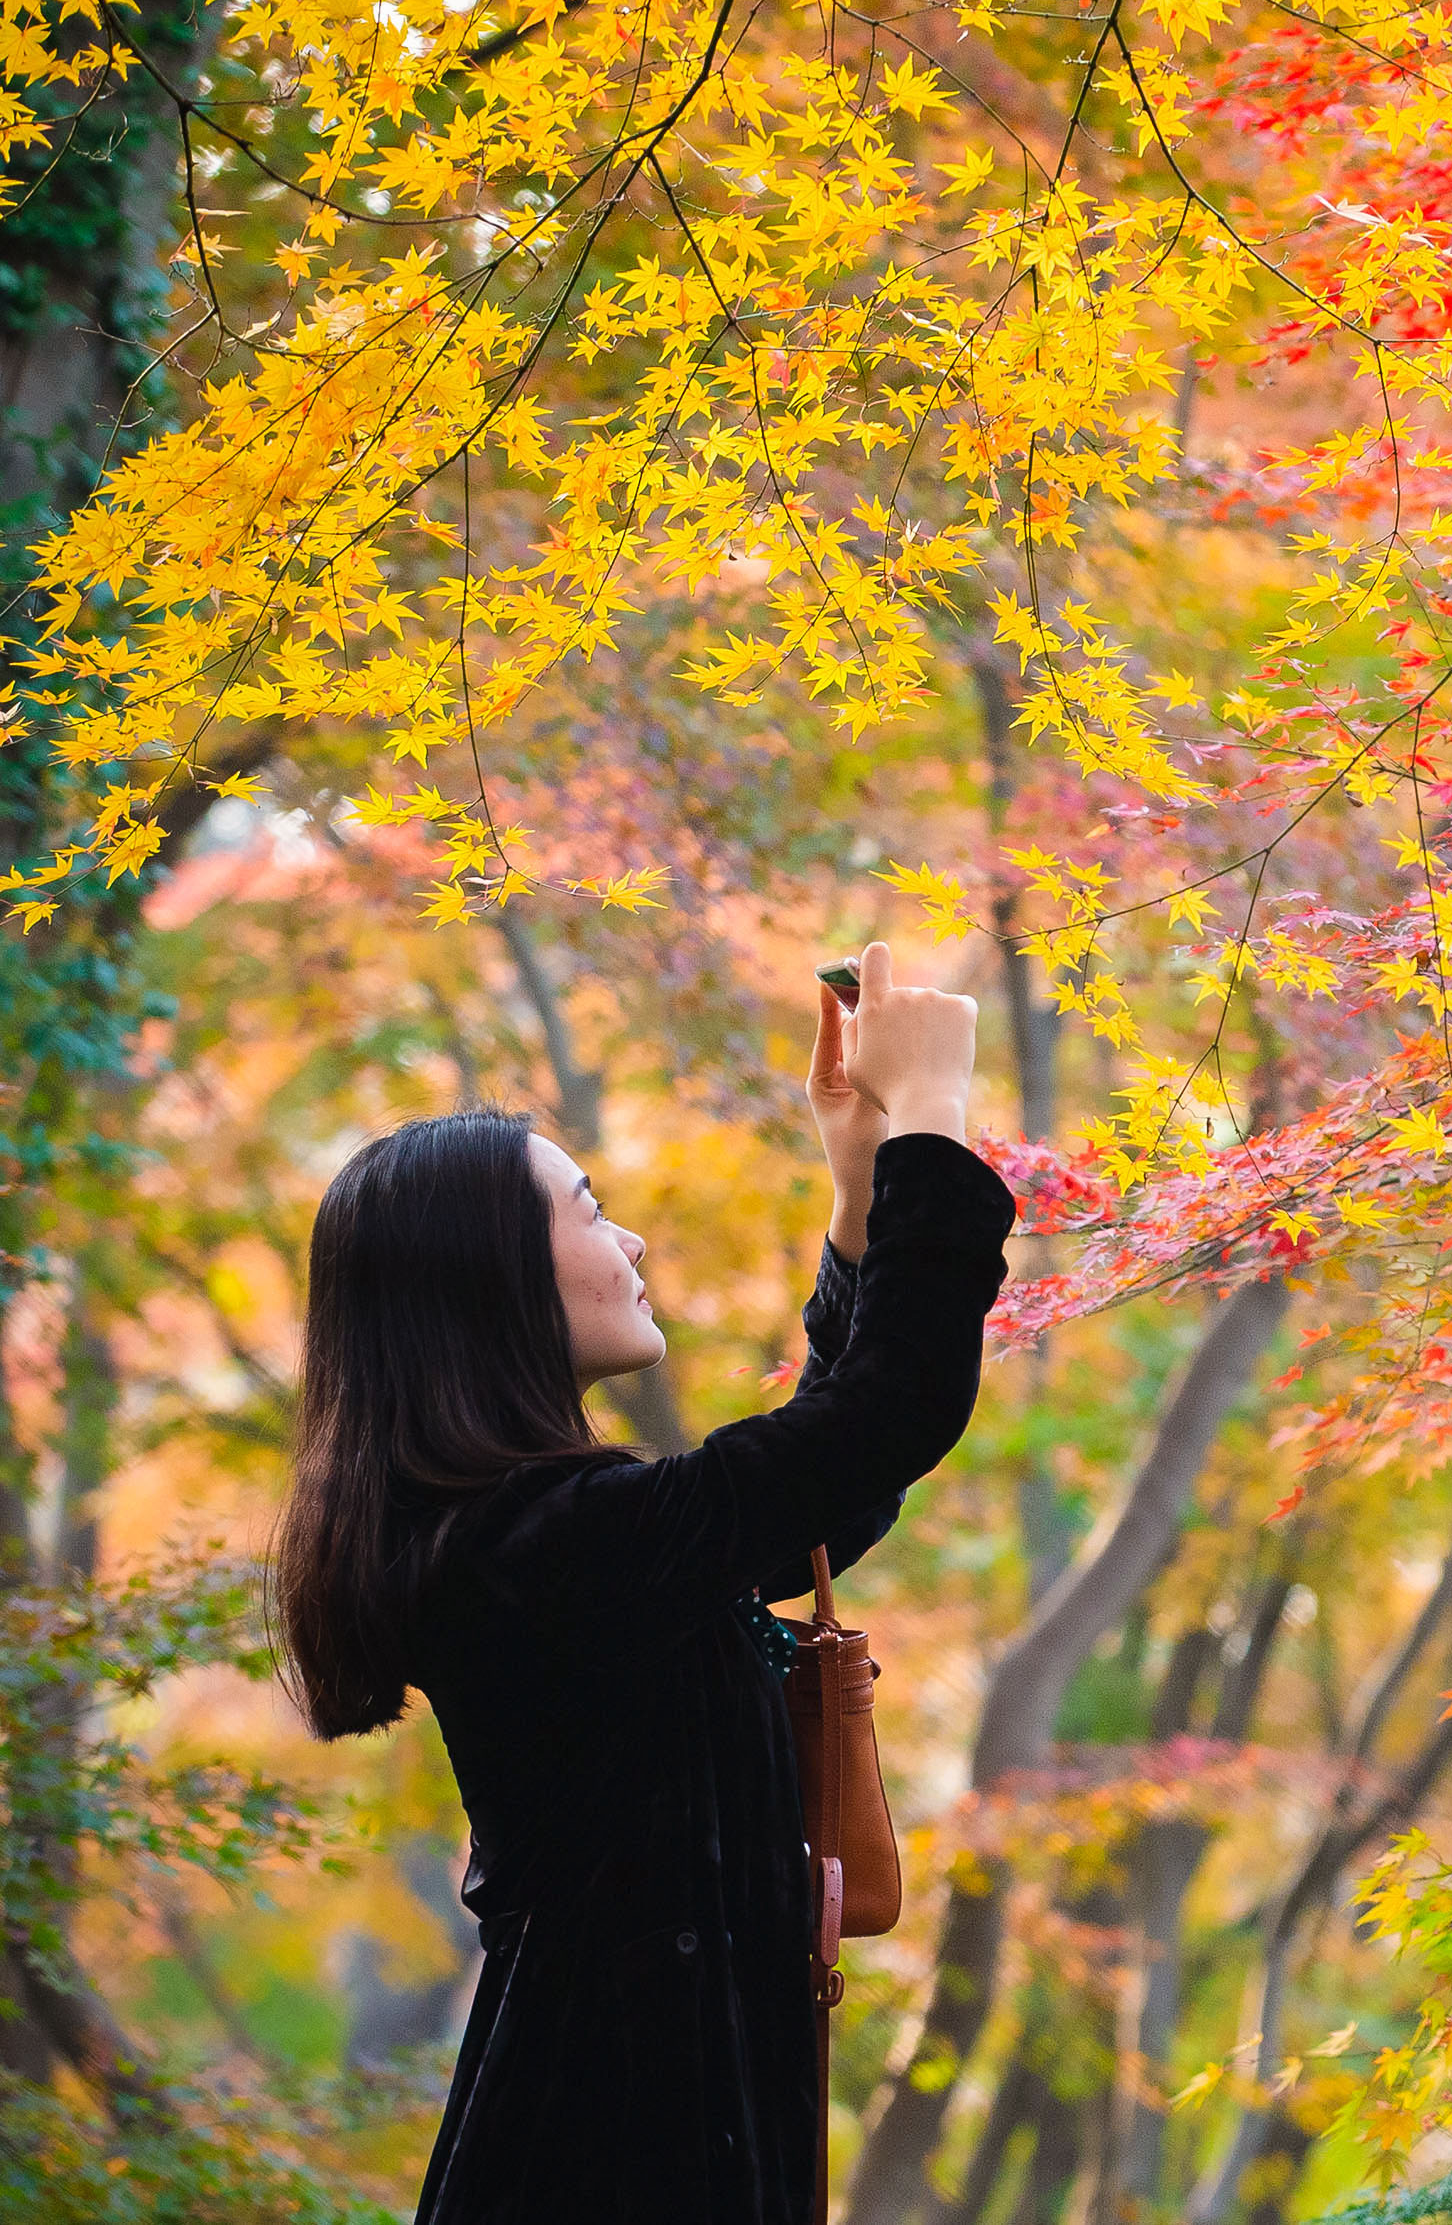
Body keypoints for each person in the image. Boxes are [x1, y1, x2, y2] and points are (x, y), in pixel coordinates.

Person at [274, 945, 1016, 2225]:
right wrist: (933, 1127)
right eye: (586, 1208)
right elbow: (888, 1413)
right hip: (607, 2157)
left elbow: (835, 1499)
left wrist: (858, 1194)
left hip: (644, 2137)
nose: (628, 1238)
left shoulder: (561, 1542)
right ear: (491, 1278)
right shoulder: (536, 1552)